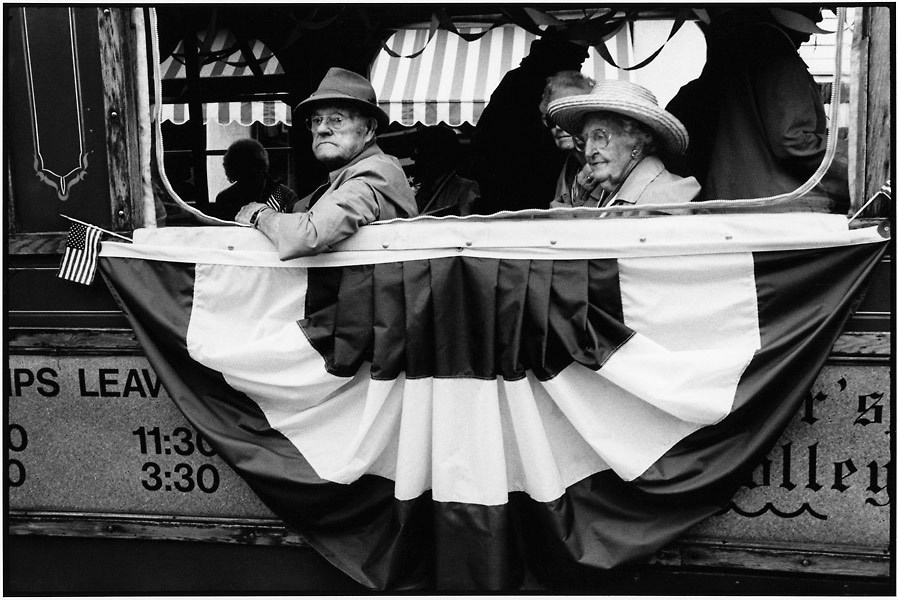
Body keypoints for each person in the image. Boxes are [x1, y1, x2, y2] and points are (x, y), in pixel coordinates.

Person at [665, 6, 846, 207]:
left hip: (728, 203)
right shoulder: (778, 53)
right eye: (808, 28)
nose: (807, 38)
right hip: (780, 207)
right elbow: (794, 141)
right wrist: (850, 161)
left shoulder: (735, 54)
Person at [236, 68, 417, 258]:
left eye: (337, 119)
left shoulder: (373, 175)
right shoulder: (350, 174)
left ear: (369, 129)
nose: (321, 129)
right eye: (316, 120)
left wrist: (259, 214)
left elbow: (306, 237)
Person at [471, 37, 589, 213]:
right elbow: (484, 143)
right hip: (515, 190)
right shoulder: (522, 83)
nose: (579, 65)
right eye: (577, 58)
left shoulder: (522, 81)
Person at [547, 79, 700, 210]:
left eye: (599, 137)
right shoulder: (602, 188)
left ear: (639, 139)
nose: (588, 152)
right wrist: (579, 201)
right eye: (585, 139)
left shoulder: (667, 202)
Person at [538, 71, 603, 208]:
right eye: (551, 119)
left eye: (569, 115)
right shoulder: (569, 165)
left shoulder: (608, 166)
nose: (559, 127)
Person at [208, 139, 298, 221]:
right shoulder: (225, 199)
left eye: (251, 171)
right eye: (243, 173)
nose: (249, 178)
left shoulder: (285, 196)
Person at [411, 126, 480, 216]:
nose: (414, 158)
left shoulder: (465, 189)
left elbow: (464, 225)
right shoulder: (419, 188)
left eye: (421, 151)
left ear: (437, 155)